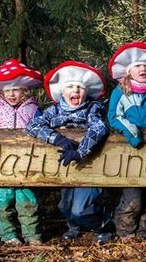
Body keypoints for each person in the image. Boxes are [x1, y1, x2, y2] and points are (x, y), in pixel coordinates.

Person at [27, 61, 111, 244]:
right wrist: (58, 139)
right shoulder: (53, 111)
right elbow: (33, 125)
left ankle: (102, 226)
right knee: (65, 206)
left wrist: (80, 151)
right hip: (65, 165)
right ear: (62, 92)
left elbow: (99, 128)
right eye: (71, 87)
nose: (75, 90)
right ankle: (74, 227)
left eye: (80, 87)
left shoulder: (92, 108)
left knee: (81, 208)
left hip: (89, 164)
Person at [107, 42, 146, 240]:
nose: (142, 69)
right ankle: (125, 231)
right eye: (138, 66)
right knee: (133, 196)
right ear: (129, 70)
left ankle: (145, 232)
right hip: (132, 152)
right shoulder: (121, 93)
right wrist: (132, 132)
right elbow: (114, 117)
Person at [0, 59, 44, 246]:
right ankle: (7, 235)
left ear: (25, 90)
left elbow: (41, 132)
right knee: (3, 199)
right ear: (1, 92)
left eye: (16, 89)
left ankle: (32, 234)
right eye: (7, 90)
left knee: (27, 199)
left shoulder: (34, 110)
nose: (11, 94)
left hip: (27, 163)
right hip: (1, 163)